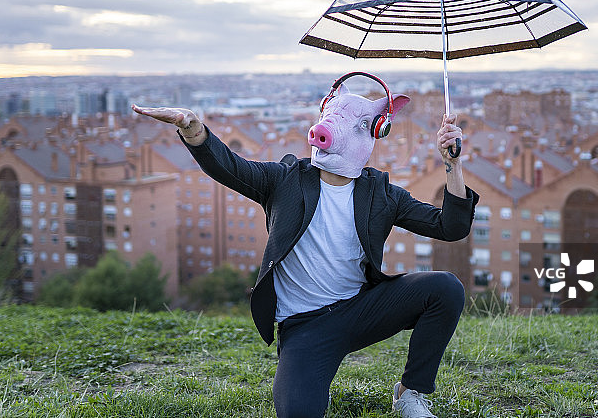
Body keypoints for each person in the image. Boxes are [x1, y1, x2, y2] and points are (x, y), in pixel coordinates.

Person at [132, 73, 478, 418]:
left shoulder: (380, 192)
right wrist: (193, 130)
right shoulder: (286, 179)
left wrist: (452, 164)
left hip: (360, 309)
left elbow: (451, 227)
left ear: (375, 131)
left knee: (444, 288)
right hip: (305, 326)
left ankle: (409, 392)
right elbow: (229, 167)